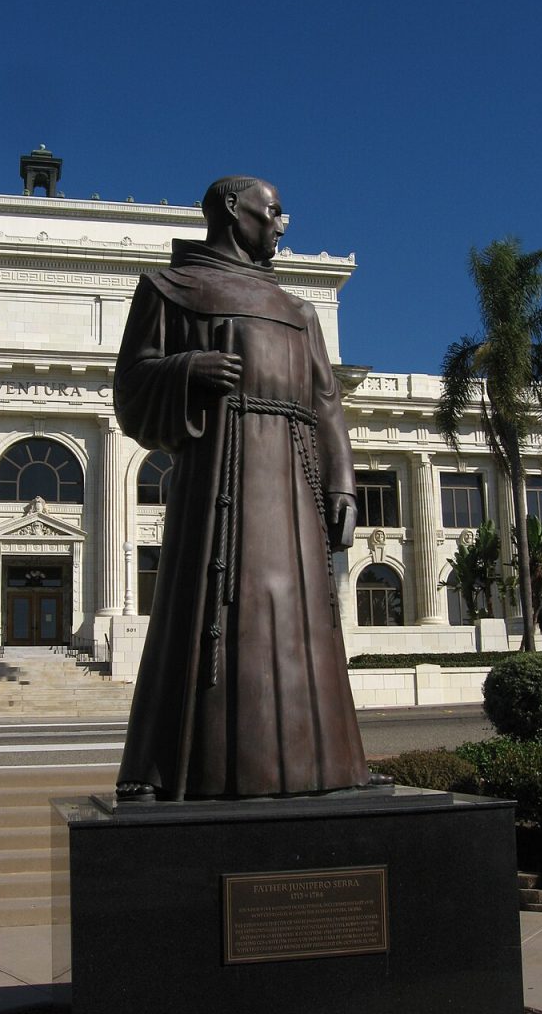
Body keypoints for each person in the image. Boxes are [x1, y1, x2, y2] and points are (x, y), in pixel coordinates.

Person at [113, 176, 370, 801]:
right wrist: (188, 368)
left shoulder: (299, 311)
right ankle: (174, 767)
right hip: (220, 484)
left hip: (298, 480)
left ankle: (327, 767)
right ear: (234, 209)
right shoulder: (169, 290)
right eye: (275, 210)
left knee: (308, 620)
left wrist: (343, 484)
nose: (284, 223)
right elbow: (130, 389)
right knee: (209, 611)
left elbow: (328, 404)